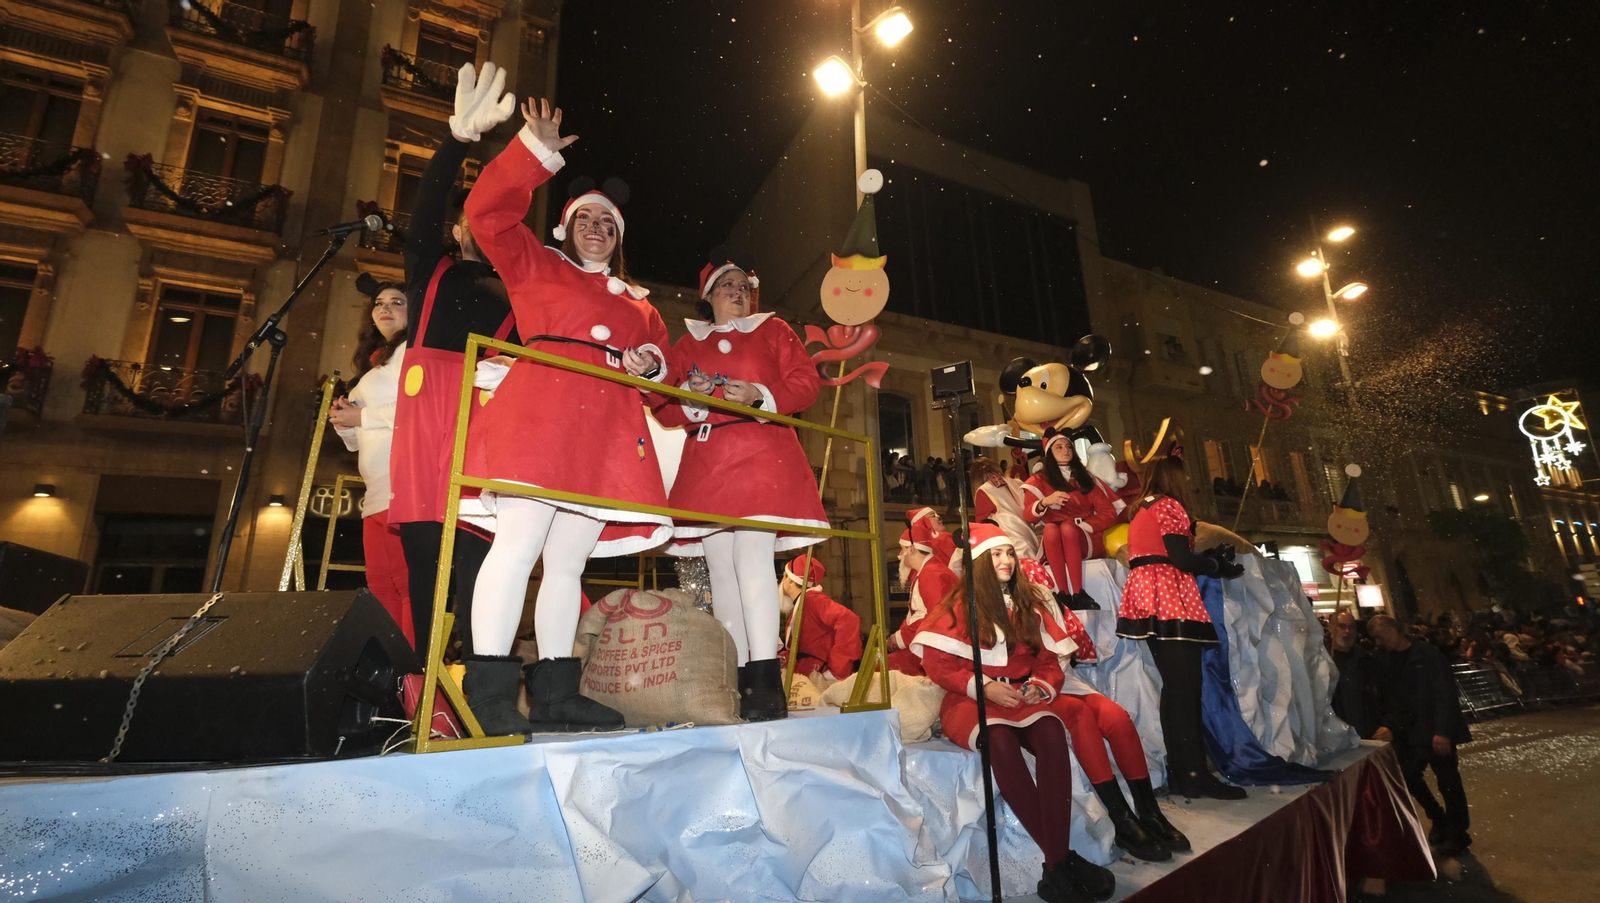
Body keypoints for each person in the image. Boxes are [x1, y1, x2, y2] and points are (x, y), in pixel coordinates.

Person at [460, 95, 672, 735]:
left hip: (604, 434)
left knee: (568, 566)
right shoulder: (536, 263)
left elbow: (665, 380)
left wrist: (650, 366)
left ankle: (555, 693)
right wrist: (534, 152)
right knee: (517, 546)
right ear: (564, 227)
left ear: (620, 237)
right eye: (586, 217)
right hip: (540, 419)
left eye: (609, 221)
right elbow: (485, 212)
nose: (598, 226)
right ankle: (489, 691)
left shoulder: (641, 305)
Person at [654, 255, 827, 720]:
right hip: (708, 463)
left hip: (761, 459)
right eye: (726, 285)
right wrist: (692, 398)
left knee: (751, 560)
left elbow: (805, 383)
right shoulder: (687, 343)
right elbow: (663, 406)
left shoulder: (774, 331)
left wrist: (758, 395)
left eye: (743, 286)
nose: (737, 291)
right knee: (721, 570)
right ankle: (735, 676)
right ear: (708, 296)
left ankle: (765, 678)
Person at [910, 524, 1117, 902]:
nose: (1007, 560)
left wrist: (1041, 684)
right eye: (996, 554)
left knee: (1052, 734)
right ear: (978, 562)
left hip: (1023, 698)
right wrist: (984, 687)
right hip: (971, 701)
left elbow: (1049, 660)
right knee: (1000, 741)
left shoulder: (1028, 603)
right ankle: (1062, 862)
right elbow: (938, 665)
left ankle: (1056, 867)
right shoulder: (958, 605)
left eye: (1009, 553)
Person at [389, 62, 519, 663]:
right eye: (471, 217)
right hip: (423, 422)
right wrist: (457, 141)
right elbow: (425, 205)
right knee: (423, 555)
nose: (479, 227)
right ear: (461, 228)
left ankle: (475, 678)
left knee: (474, 558)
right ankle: (422, 679)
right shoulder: (428, 268)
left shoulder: (518, 296)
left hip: (483, 420)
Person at [1114, 446, 1249, 800]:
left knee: (1175, 690)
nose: (1188, 479)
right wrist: (1215, 565)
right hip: (1169, 597)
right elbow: (1180, 559)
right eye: (1184, 474)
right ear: (1174, 477)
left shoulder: (1142, 508)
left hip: (1147, 595)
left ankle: (1183, 773)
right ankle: (1194, 775)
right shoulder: (1170, 506)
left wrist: (1207, 561)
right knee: (1186, 690)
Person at [331, 281, 412, 646]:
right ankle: (394, 671)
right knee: (381, 586)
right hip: (377, 489)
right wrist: (345, 422)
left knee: (407, 585)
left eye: (397, 302)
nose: (385, 308)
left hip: (403, 482)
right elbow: (355, 442)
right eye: (379, 303)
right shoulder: (378, 361)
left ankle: (414, 673)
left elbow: (420, 408)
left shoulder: (412, 350)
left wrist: (359, 417)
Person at [1368, 614, 1474, 854]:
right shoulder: (1385, 659)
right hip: (1408, 731)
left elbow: (1444, 693)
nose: (1378, 643)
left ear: (1393, 631)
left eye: (1380, 637)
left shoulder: (1427, 655)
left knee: (1448, 783)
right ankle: (1438, 818)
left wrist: (1442, 731)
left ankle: (1458, 832)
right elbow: (1388, 698)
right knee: (1409, 778)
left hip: (1432, 730)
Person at [1023, 428, 1124, 611]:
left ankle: (1078, 592)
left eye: (1069, 446)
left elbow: (1109, 513)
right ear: (1049, 453)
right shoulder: (1039, 480)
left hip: (1084, 537)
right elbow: (1028, 515)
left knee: (1068, 528)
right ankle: (1063, 593)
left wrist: (1085, 525)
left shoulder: (1085, 478)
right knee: (1050, 529)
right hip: (1055, 540)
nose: (1066, 450)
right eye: (1059, 447)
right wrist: (1045, 501)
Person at [886, 518, 959, 675]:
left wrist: (899, 639)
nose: (899, 555)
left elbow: (936, 617)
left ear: (912, 549)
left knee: (884, 670)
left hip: (937, 650)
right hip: (925, 642)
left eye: (902, 549)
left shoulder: (932, 573)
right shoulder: (928, 571)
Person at [779, 555, 862, 685]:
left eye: (784, 576)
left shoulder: (812, 600)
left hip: (819, 675)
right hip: (810, 673)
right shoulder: (804, 602)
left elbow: (848, 620)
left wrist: (837, 671)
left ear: (789, 580)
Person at [971, 456, 1043, 560]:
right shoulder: (1018, 483)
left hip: (1011, 544)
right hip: (1031, 538)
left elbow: (980, 526)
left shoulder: (984, 491)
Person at [1329, 610, 1382, 738]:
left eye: (1351, 627)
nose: (1347, 631)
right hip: (1335, 736)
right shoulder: (1320, 661)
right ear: (1330, 628)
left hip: (1366, 733)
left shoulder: (1367, 661)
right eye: (1341, 626)